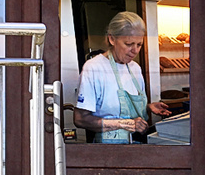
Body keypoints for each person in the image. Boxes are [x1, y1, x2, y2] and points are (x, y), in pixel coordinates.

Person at [73, 11, 171, 143]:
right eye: (129, 44)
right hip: (108, 150)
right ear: (112, 39)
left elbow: (118, 106)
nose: (135, 50)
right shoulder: (94, 68)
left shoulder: (135, 68)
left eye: (139, 45)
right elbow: (80, 119)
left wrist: (147, 107)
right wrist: (126, 124)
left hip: (137, 144)